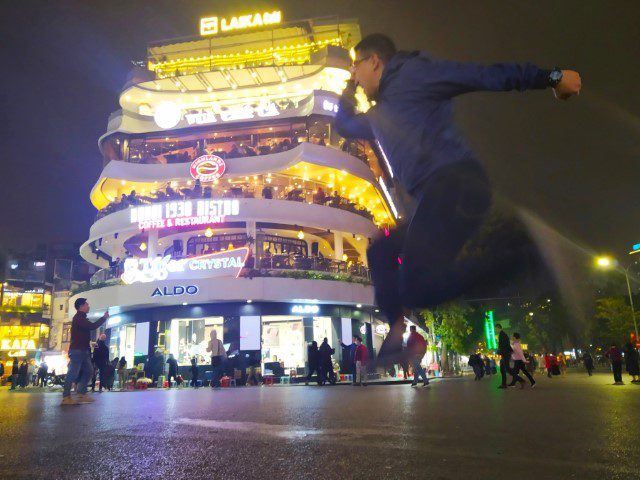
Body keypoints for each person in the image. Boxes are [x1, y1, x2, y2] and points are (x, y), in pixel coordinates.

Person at [333, 33, 582, 361]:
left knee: (419, 287)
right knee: (381, 250)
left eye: (357, 67)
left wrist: (552, 77)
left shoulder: (416, 74)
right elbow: (345, 125)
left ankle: (527, 251)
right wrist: (349, 87)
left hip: (456, 182)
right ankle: (394, 328)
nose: (357, 77)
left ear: (375, 61)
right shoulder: (381, 114)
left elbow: (484, 75)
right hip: (437, 195)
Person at [62, 298, 109, 405]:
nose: (88, 306)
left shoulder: (82, 317)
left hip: (83, 350)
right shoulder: (79, 318)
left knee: (89, 371)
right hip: (77, 350)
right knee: (73, 373)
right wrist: (104, 318)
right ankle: (66, 397)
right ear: (81, 306)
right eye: (87, 304)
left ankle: (81, 394)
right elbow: (92, 326)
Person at [495, 324, 513, 389]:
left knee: (507, 369)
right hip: (504, 354)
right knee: (502, 369)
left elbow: (506, 344)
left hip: (505, 354)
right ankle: (504, 384)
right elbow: (506, 344)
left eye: (496, 329)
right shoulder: (502, 334)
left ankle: (520, 380)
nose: (495, 330)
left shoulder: (502, 335)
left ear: (498, 328)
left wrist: (511, 350)